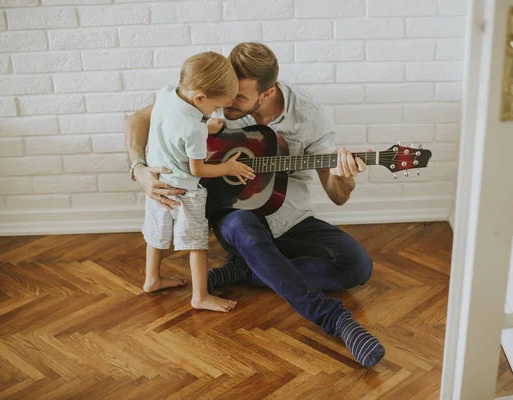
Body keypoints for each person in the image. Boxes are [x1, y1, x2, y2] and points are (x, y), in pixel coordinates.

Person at [125, 42, 386, 366]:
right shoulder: (212, 92)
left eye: (239, 99)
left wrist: (344, 177)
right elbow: (137, 119)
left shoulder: (310, 115)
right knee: (244, 230)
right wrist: (139, 169)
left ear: (267, 92)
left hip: (289, 215)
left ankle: (246, 270)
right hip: (234, 212)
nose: (228, 105)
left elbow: (336, 194)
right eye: (227, 96)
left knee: (358, 266)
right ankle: (334, 320)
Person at [139, 51, 255, 313]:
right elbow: (198, 168)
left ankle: (152, 279)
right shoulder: (193, 130)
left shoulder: (166, 93)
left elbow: (173, 124)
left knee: (156, 236)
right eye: (214, 106)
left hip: (157, 183)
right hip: (184, 191)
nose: (214, 111)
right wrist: (229, 166)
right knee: (196, 243)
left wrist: (205, 125)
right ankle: (200, 296)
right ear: (200, 98)